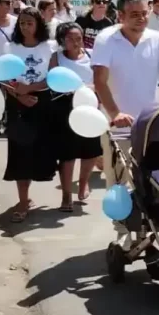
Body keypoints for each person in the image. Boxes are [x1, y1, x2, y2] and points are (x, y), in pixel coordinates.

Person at [92, 0, 159, 249]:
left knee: (152, 179)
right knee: (118, 181)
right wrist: (115, 113)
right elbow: (99, 80)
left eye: (144, 13)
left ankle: (149, 229)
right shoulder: (106, 39)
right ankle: (122, 231)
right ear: (120, 16)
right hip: (117, 127)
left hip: (151, 125)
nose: (141, 19)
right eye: (134, 14)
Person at [4, 7, 57, 223]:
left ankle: (64, 198)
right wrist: (20, 95)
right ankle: (23, 201)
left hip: (42, 102)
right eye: (22, 23)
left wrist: (32, 88)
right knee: (20, 152)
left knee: (40, 151)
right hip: (17, 103)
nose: (25, 27)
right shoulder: (11, 47)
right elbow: (3, 76)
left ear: (38, 25)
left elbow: (53, 76)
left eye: (29, 23)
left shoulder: (49, 47)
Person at [49, 22, 101, 211]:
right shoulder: (56, 57)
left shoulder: (91, 55)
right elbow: (52, 80)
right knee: (67, 154)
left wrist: (91, 90)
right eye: (70, 38)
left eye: (78, 37)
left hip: (89, 104)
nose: (76, 42)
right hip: (65, 107)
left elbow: (101, 80)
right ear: (62, 40)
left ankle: (83, 182)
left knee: (91, 150)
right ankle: (66, 195)